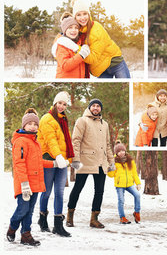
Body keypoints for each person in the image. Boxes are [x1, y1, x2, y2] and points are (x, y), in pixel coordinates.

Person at [8, 109, 67, 246]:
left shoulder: (36, 142)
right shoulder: (21, 141)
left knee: (29, 210)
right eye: (30, 124)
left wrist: (54, 163)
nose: (33, 126)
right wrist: (24, 183)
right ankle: (12, 227)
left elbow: (39, 162)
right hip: (24, 183)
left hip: (34, 183)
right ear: (24, 125)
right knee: (22, 209)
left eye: (36, 124)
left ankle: (25, 235)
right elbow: (19, 164)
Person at [66, 99, 115, 229]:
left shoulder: (105, 124)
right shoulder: (82, 121)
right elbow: (75, 141)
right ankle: (70, 215)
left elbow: (108, 145)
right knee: (78, 188)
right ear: (89, 107)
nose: (95, 108)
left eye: (98, 106)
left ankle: (94, 219)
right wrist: (75, 160)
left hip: (100, 163)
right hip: (85, 161)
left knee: (99, 191)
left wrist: (111, 161)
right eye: (93, 105)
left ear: (100, 109)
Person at [36, 91, 74, 237]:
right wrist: (57, 157)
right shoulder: (47, 118)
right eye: (60, 103)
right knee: (46, 192)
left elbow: (66, 142)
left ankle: (58, 225)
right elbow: (51, 140)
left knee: (60, 192)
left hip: (62, 161)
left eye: (64, 104)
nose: (62, 106)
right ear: (55, 103)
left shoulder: (64, 119)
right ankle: (42, 219)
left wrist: (69, 159)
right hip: (49, 159)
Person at [72, 0, 130, 78]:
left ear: (89, 14)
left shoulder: (96, 29)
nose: (82, 18)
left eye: (85, 14)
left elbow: (93, 58)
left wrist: (74, 48)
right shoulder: (76, 32)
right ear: (75, 17)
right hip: (101, 69)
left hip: (114, 63)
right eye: (78, 15)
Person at [107, 142, 141, 225]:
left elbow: (134, 173)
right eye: (119, 151)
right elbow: (111, 175)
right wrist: (111, 168)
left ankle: (136, 212)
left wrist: (138, 183)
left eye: (123, 150)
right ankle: (122, 217)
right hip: (119, 185)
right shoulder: (114, 161)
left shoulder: (130, 160)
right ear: (116, 153)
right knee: (121, 200)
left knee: (137, 195)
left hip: (130, 184)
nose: (121, 152)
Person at [52, 13, 90, 78]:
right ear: (65, 30)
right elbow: (65, 66)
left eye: (76, 28)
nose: (73, 30)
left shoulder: (79, 44)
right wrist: (81, 55)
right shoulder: (62, 45)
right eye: (70, 28)